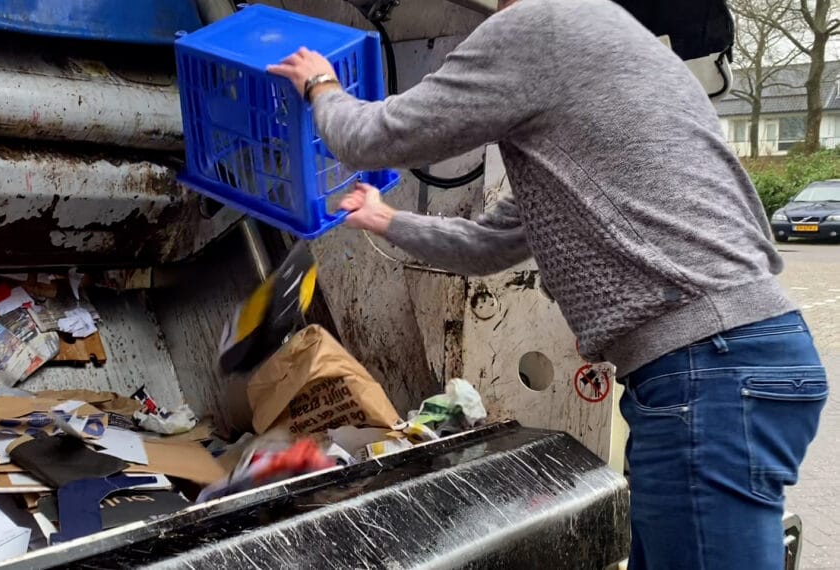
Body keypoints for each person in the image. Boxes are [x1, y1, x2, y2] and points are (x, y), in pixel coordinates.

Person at [269, 0, 828, 568]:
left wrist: (321, 84)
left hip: (706, 368)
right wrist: (387, 219)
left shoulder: (539, 25)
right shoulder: (612, 49)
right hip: (733, 361)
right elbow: (492, 244)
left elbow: (371, 138)